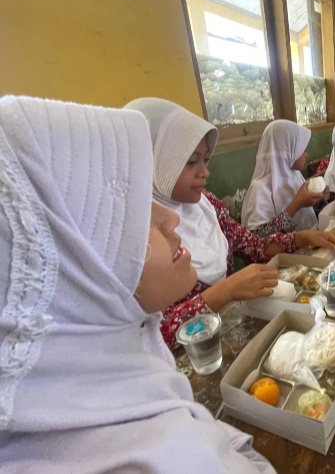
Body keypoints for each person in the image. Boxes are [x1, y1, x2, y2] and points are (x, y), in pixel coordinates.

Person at [0, 96, 275, 472]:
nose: (168, 221)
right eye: (135, 202)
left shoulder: (132, 370)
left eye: (205, 160)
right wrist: (221, 293)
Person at [125, 98, 335, 347]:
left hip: (234, 331)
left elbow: (252, 245)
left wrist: (302, 238)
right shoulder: (135, 233)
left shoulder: (206, 204)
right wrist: (225, 291)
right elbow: (149, 331)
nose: (205, 173)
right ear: (153, 162)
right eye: (190, 162)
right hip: (194, 359)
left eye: (205, 160)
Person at [241, 120, 327, 235]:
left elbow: (306, 215)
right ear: (288, 151)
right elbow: (258, 238)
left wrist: (318, 199)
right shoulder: (260, 190)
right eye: (303, 150)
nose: (306, 154)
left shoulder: (294, 175)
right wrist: (296, 205)